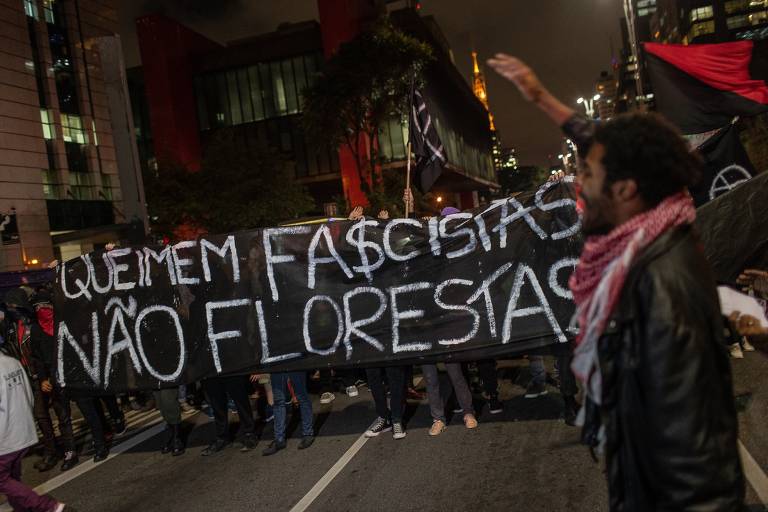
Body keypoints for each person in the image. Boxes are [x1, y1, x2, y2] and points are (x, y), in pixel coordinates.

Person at [488, 54, 744, 510]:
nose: (579, 187)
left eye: (588, 175)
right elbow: (602, 142)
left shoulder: (663, 290)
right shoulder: (652, 234)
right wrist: (539, 95)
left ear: (625, 190)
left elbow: (692, 454)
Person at [0, 346, 67, 511]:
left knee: (2, 479)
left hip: (6, 436)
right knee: (13, 480)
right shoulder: (12, 362)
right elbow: (28, 394)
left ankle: (50, 507)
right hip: (23, 431)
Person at [29, 290, 78, 471]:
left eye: (45, 306)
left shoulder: (61, 324)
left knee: (64, 416)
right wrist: (43, 379)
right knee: (48, 416)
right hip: (46, 380)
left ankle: (70, 451)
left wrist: (57, 375)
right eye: (38, 307)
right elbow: (37, 358)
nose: (42, 310)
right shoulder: (35, 330)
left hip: (63, 376)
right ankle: (56, 451)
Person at [201, 375, 257, 456]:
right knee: (217, 406)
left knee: (241, 401)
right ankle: (222, 438)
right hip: (211, 371)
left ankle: (249, 433)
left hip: (230, 368)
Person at [262, 371, 314, 455]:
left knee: (301, 395)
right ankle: (279, 439)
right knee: (278, 400)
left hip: (294, 360)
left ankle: (308, 433)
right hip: (276, 362)